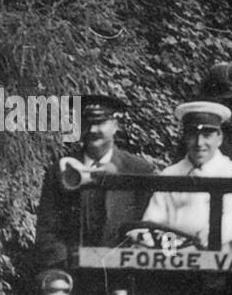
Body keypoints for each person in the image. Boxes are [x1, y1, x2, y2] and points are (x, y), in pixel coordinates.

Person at [33, 93, 155, 277]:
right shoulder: (61, 170)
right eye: (86, 123)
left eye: (100, 122)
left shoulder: (139, 170)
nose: (92, 129)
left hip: (124, 278)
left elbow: (147, 228)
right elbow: (47, 230)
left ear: (115, 125)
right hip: (72, 277)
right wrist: (62, 267)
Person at [142, 101, 232, 247]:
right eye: (193, 135)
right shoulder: (171, 174)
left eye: (207, 135)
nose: (199, 143)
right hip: (173, 254)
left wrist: (214, 233)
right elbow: (154, 217)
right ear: (185, 137)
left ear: (219, 138)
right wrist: (145, 235)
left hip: (215, 252)